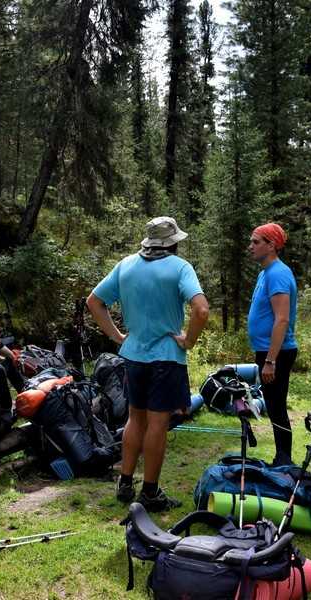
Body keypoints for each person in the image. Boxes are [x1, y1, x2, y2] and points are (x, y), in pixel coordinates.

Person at [87, 216, 209, 512]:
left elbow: (94, 301)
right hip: (166, 357)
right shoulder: (180, 267)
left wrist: (117, 336)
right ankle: (150, 492)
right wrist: (189, 340)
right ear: (173, 242)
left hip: (133, 356)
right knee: (158, 423)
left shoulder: (126, 265)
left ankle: (125, 482)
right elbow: (201, 309)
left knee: (135, 418)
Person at [247, 223, 298, 466]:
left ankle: (284, 461)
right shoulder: (265, 273)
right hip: (268, 352)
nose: (251, 246)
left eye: (256, 242)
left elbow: (282, 319)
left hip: (277, 353)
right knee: (274, 405)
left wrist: (270, 360)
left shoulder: (278, 273)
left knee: (277, 407)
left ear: (272, 245)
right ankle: (281, 458)